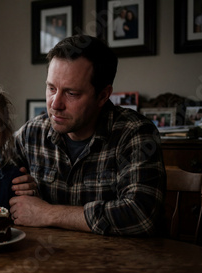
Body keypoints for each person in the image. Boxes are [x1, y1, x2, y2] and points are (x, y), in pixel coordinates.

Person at [10, 35, 166, 236]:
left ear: (103, 95)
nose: (55, 104)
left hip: (120, 262)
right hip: (48, 259)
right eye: (51, 88)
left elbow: (141, 215)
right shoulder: (32, 133)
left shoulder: (135, 133)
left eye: (71, 93)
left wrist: (47, 213)